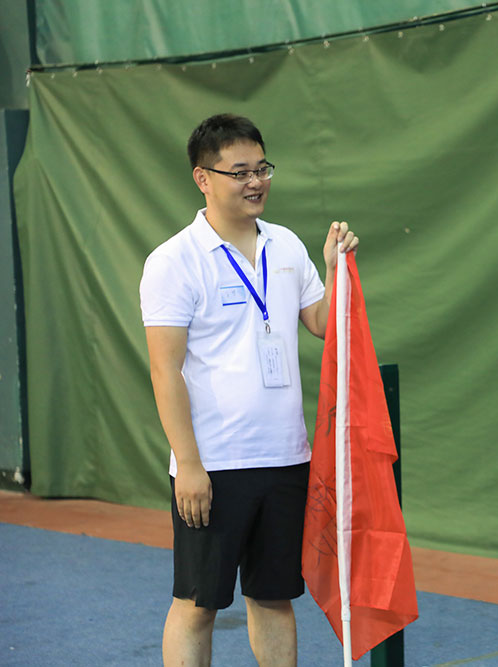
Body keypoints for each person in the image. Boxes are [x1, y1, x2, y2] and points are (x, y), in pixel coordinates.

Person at [139, 113, 358, 666]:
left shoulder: (286, 246)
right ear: (203, 178)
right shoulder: (173, 261)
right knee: (198, 603)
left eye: (262, 168)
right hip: (214, 464)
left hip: (285, 457)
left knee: (274, 596)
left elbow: (323, 324)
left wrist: (336, 271)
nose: (256, 181)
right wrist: (190, 464)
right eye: (239, 172)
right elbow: (165, 370)